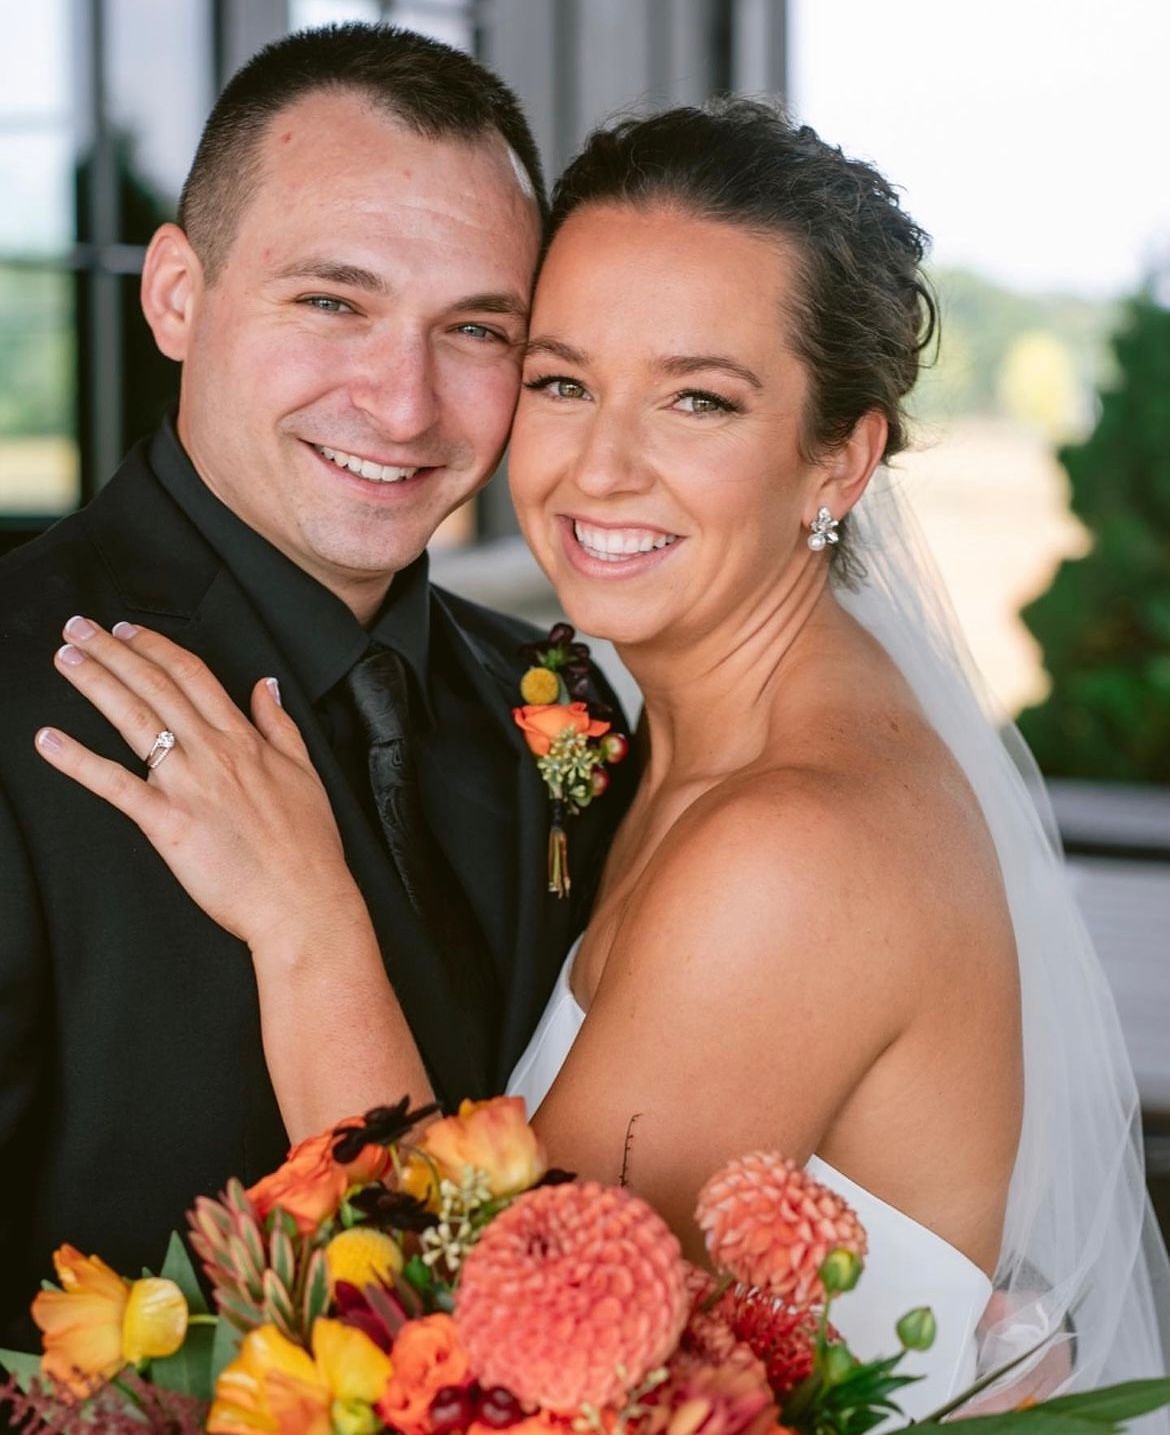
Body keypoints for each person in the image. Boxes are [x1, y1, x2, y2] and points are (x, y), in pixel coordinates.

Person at [33, 99, 1169, 1420]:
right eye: (562, 381)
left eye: (698, 399)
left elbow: (498, 1379)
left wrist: (307, 924)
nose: (598, 468)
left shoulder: (793, 848)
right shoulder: (627, 737)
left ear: (838, 460)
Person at [0, 24, 637, 1349]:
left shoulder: (558, 696)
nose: (402, 405)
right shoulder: (12, 694)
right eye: (332, 302)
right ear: (177, 295)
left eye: (475, 329)